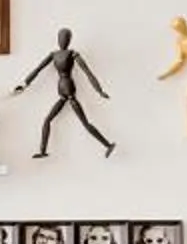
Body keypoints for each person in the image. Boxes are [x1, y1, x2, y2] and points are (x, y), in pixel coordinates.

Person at [12, 27, 116, 158]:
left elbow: (87, 72)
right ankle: (43, 151)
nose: (62, 40)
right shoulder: (53, 54)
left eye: (65, 38)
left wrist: (99, 90)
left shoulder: (73, 54)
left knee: (85, 123)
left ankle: (108, 145)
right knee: (48, 120)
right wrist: (25, 84)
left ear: (69, 40)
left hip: (69, 89)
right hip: (62, 91)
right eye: (61, 37)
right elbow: (38, 69)